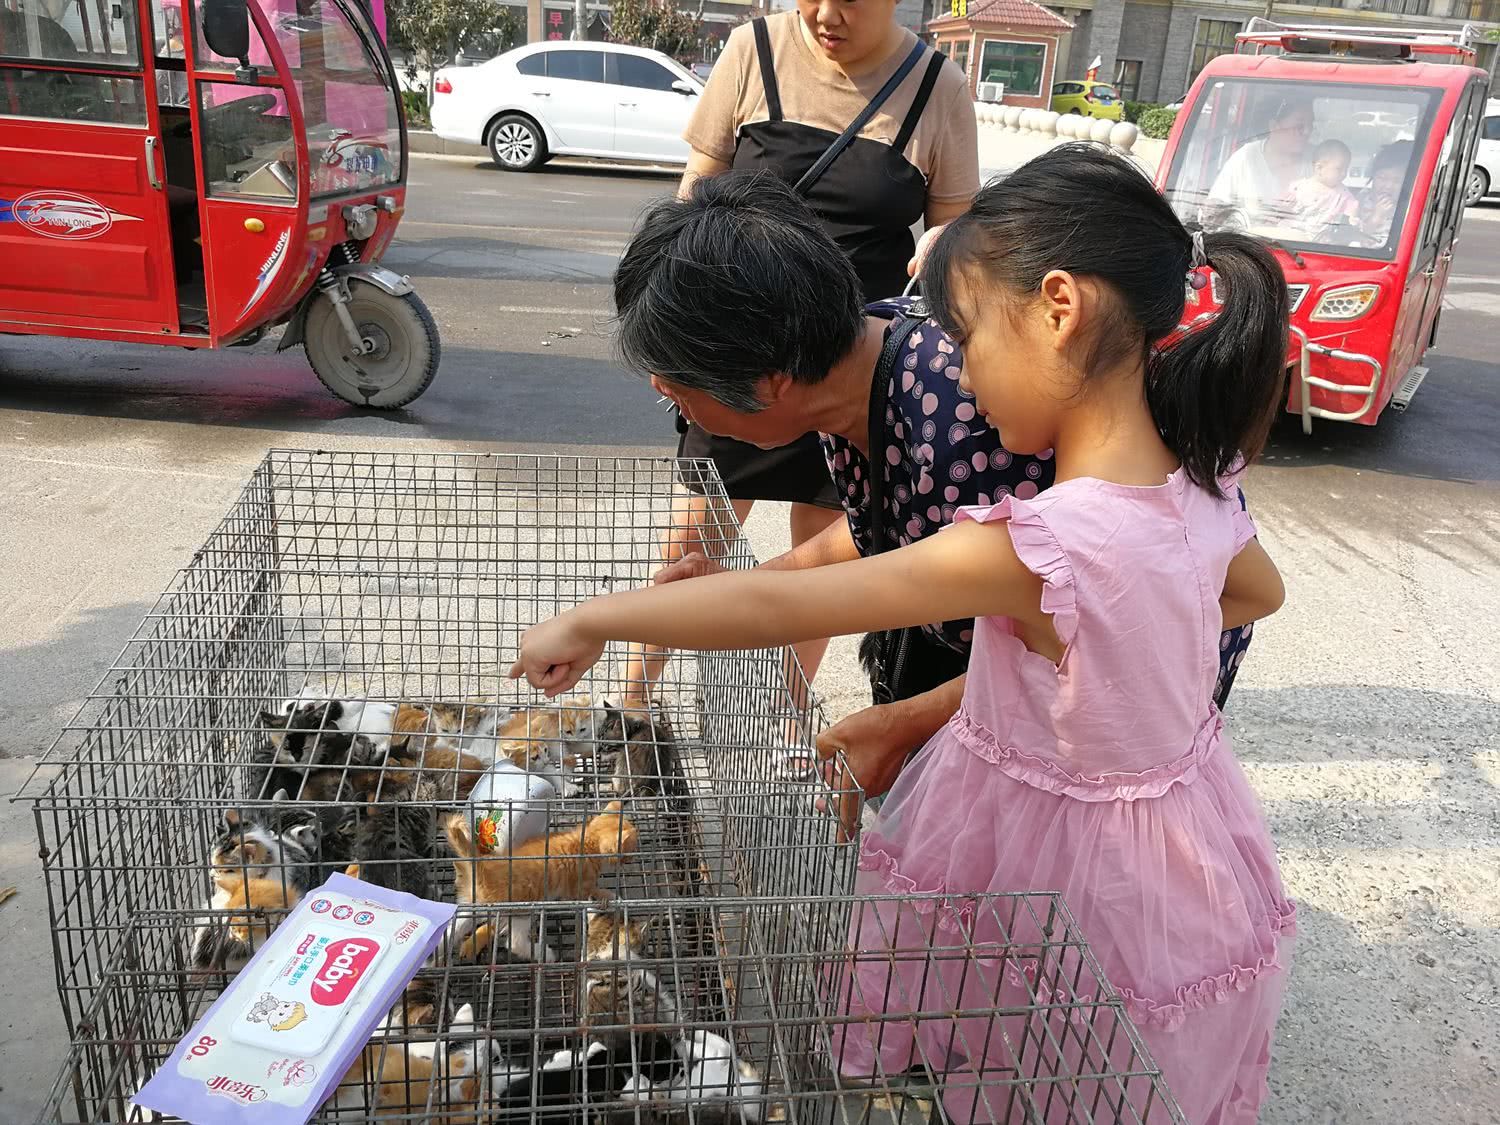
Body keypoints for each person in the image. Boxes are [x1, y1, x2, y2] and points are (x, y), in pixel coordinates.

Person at [512, 145, 1295, 1121]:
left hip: (1070, 838)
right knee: (1085, 1046)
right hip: (1174, 830)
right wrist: (1113, 675)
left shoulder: (1025, 522)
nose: (955, 359)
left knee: (1039, 1024)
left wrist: (593, 616)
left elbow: (778, 614)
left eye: (969, 338)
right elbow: (1249, 593)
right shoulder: (1195, 490)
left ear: (1060, 310)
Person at [613, 170, 1258, 786]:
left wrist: (905, 721)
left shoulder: (980, 417)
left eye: (682, 396)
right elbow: (892, 532)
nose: (672, 400)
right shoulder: (856, 353)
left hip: (1096, 729)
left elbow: (1092, 624)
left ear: (769, 382)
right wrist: (742, 583)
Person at [624, 0, 980, 709]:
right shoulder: (752, 50)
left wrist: (944, 254)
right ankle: (632, 702)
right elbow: (697, 190)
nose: (826, 13)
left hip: (848, 362)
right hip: (738, 345)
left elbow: (957, 236)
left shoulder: (937, 85)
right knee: (701, 524)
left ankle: (785, 721)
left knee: (844, 533)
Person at [1205, 97, 1315, 229]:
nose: (1307, 132)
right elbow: (1215, 212)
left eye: (1311, 125)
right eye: (1299, 127)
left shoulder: (1317, 160)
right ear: (1274, 126)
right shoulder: (1246, 157)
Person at [1289, 138, 1357, 238]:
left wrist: (1353, 218)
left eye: (1346, 169)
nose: (1344, 173)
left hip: (1322, 245)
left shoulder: (1343, 196)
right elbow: (1282, 208)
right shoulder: (1298, 188)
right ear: (1319, 168)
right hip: (1294, 241)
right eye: (1339, 169)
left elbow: (1351, 215)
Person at [1354, 141, 1412, 247]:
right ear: (1373, 177)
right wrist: (1377, 216)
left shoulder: (1408, 206)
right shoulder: (1362, 200)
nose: (1388, 186)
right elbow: (1358, 236)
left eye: (1397, 181)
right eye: (1382, 178)